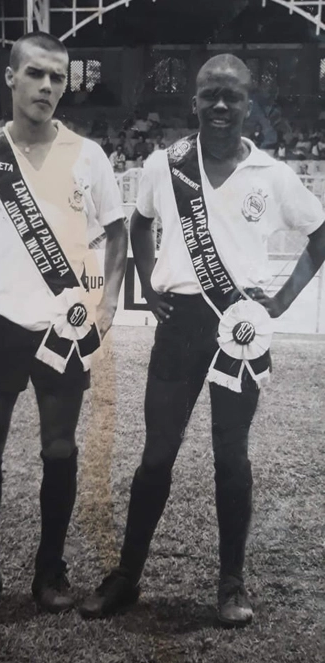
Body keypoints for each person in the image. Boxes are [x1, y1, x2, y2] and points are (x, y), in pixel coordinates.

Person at [80, 54, 325, 625]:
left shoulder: (273, 175)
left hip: (239, 329)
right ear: (193, 100)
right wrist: (145, 280)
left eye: (231, 96)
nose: (219, 105)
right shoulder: (165, 165)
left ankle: (232, 584)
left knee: (231, 458)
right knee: (156, 457)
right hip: (180, 326)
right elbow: (138, 223)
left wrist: (282, 301)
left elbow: (319, 233)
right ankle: (126, 576)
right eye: (209, 94)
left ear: (248, 102)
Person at [0, 32, 127, 613]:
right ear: (10, 78)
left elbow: (118, 233)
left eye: (57, 77)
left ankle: (49, 573)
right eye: (35, 74)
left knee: (59, 448)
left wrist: (108, 301)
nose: (46, 86)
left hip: (62, 327)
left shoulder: (88, 155)